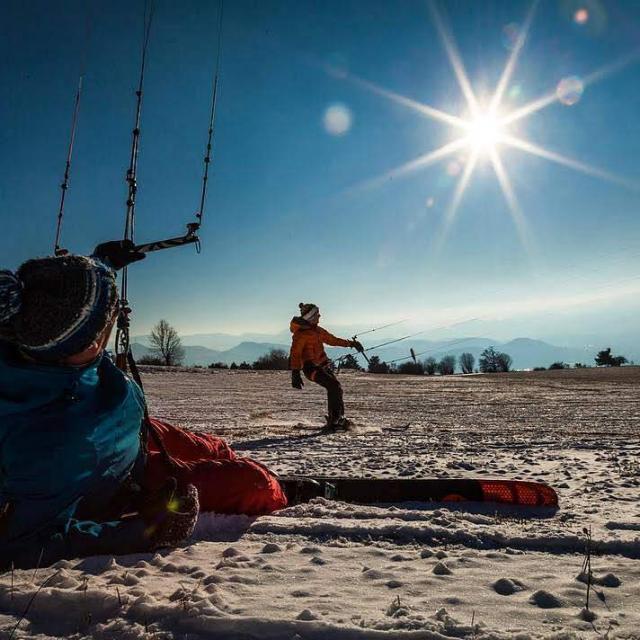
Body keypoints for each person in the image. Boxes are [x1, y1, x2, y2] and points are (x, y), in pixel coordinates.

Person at [0, 242, 286, 570]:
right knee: (254, 485)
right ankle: (280, 494)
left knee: (215, 447)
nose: (116, 316)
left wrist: (102, 262)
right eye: (109, 317)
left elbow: (74, 295)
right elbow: (22, 544)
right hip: (124, 476)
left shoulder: (38, 332)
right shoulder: (51, 446)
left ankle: (253, 474)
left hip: (128, 431)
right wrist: (144, 529)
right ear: (88, 342)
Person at [289, 302, 364, 430]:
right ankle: (335, 420)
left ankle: (338, 418)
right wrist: (295, 373)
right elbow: (295, 354)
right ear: (311, 317)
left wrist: (352, 344)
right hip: (311, 368)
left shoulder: (318, 331)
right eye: (317, 314)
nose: (320, 316)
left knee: (337, 388)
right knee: (334, 386)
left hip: (323, 366)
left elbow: (333, 340)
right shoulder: (301, 334)